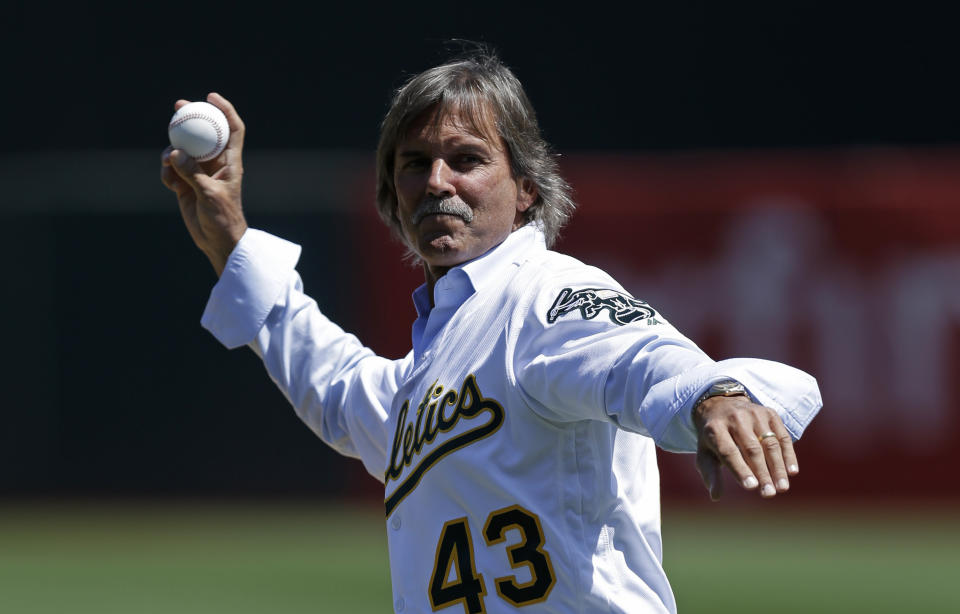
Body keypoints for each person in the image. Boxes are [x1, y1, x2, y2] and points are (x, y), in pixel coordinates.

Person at [161, 50, 821, 614]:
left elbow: (639, 358)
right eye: (414, 163)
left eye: (467, 158)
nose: (438, 181)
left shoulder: (543, 294)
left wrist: (716, 395)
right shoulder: (431, 366)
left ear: (527, 189)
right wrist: (232, 244)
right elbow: (337, 390)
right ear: (393, 192)